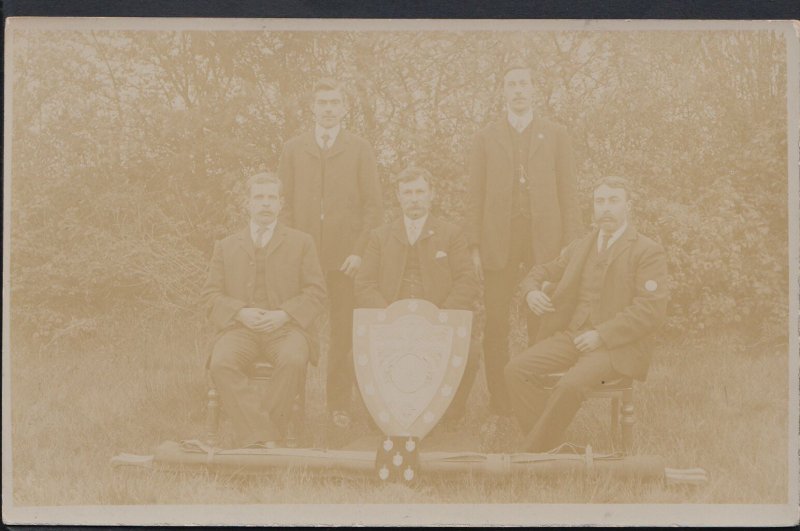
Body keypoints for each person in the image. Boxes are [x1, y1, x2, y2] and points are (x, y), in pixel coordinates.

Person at [504, 177, 668, 452]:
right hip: (573, 336)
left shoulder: (647, 251)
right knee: (515, 371)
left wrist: (601, 335)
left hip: (617, 347)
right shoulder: (582, 246)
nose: (605, 208)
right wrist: (530, 291)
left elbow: (650, 311)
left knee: (570, 385)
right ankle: (551, 448)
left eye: (613, 201)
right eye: (599, 201)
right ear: (593, 207)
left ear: (628, 206)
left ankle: (531, 453)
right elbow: (543, 271)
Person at [466, 63, 581, 416]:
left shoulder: (555, 134)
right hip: (497, 241)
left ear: (534, 90)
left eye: (524, 84)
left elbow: (568, 191)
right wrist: (473, 245)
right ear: (503, 91)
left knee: (542, 321)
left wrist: (572, 245)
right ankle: (500, 403)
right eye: (512, 84)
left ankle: (536, 399)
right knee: (497, 324)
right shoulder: (486, 137)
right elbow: (475, 193)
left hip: (544, 241)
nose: (518, 90)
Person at [278, 78, 383, 430]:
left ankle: (339, 406)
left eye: (334, 102)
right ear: (312, 107)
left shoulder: (359, 148)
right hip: (302, 260)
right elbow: (285, 205)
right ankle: (292, 407)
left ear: (344, 108)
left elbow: (373, 207)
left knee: (343, 332)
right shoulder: (294, 149)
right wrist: (292, 250)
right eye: (322, 102)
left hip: (345, 261)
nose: (327, 108)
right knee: (295, 327)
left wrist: (359, 252)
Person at [201, 172, 326, 448]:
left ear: (281, 204)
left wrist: (284, 314)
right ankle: (265, 437)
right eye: (259, 197)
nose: (265, 204)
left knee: (293, 360)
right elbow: (210, 296)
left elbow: (317, 293)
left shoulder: (301, 242)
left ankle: (254, 437)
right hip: (240, 329)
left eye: (272, 198)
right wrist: (239, 313)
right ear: (248, 203)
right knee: (221, 363)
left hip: (286, 329)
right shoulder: (226, 245)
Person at [355, 166, 481, 424]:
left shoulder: (451, 234)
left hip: (438, 322)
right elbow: (364, 284)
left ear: (431, 194)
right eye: (408, 192)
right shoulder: (380, 237)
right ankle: (383, 419)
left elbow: (467, 282)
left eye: (420, 192)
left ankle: (447, 419)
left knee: (470, 354)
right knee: (353, 357)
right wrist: (389, 317)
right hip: (392, 325)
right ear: (399, 197)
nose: (414, 198)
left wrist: (441, 316)